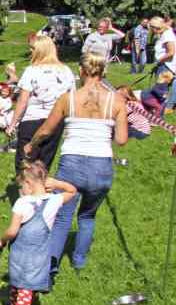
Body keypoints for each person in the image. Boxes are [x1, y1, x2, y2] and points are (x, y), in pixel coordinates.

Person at [25, 53, 128, 276]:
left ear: (81, 71)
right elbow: (121, 139)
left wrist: (31, 145)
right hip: (101, 165)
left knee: (62, 216)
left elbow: (46, 129)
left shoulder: (68, 98)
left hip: (71, 163)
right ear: (103, 72)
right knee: (87, 216)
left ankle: (52, 264)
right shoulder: (117, 100)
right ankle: (79, 262)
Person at [0, 160, 77, 305]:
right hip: (39, 255)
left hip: (18, 252)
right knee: (28, 288)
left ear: (29, 184)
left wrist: (1, 240)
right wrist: (57, 184)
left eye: (21, 187)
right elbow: (72, 191)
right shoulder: (55, 200)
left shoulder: (22, 203)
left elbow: (12, 231)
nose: (21, 191)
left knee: (17, 282)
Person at [6, 33, 76, 175]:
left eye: (33, 49)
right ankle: (40, 192)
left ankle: (26, 192)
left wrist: (13, 123)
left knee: (24, 164)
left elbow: (23, 100)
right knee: (44, 164)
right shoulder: (67, 71)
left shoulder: (31, 71)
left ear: (41, 50)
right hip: (56, 122)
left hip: (32, 121)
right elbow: (72, 100)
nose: (31, 52)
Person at [150, 16, 176, 113]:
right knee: (162, 88)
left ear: (156, 27)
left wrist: (159, 61)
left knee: (161, 88)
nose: (152, 31)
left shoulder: (167, 35)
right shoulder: (166, 32)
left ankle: (162, 109)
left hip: (166, 65)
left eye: (152, 28)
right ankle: (161, 107)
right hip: (164, 64)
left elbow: (171, 53)